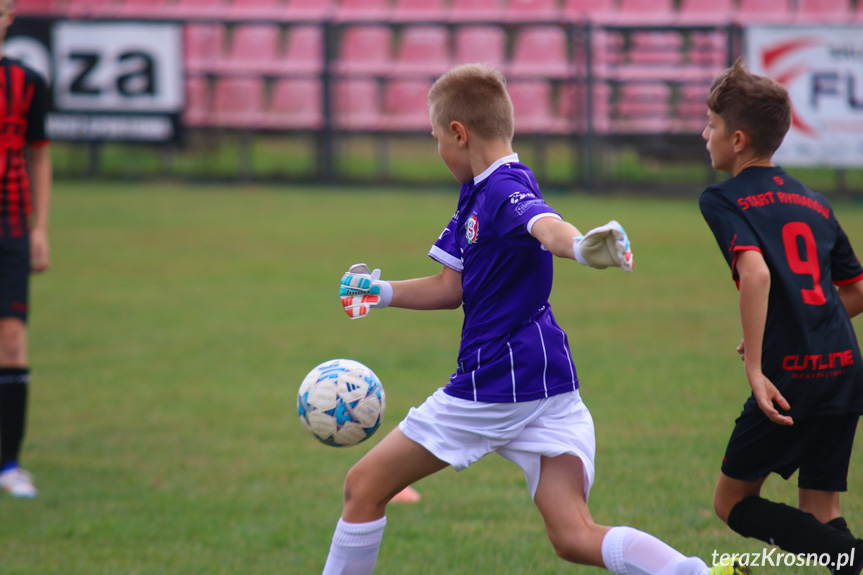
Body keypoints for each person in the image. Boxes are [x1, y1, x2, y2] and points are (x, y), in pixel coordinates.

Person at [324, 63, 741, 575]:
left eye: (436, 138)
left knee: (362, 487)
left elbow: (546, 226)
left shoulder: (503, 187)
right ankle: (696, 574)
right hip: (548, 387)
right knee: (573, 534)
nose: (437, 150)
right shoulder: (478, 191)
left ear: (458, 133)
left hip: (494, 381)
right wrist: (381, 292)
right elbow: (450, 287)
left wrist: (584, 248)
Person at [699, 59, 863, 572]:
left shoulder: (723, 199)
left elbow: (758, 274)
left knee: (731, 503)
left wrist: (756, 368)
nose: (705, 135)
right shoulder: (814, 201)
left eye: (712, 125)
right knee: (820, 511)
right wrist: (784, 326)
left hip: (791, 376)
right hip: (844, 366)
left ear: (739, 139)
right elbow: (855, 291)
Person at [0, 0, 52, 498]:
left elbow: (38, 154)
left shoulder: (26, 82)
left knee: (12, 340)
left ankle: (9, 465)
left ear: (9, 17)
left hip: (8, 224)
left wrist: (39, 227)